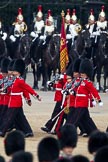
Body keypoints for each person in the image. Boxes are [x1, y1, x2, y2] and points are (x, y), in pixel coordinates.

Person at [0, 59, 41, 137]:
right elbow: (8, 88)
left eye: (14, 71)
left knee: (8, 117)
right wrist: (2, 90)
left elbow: (27, 89)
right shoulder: (13, 80)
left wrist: (35, 96)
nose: (12, 72)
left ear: (18, 72)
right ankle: (27, 131)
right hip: (13, 101)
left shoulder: (20, 81)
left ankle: (2, 131)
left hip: (16, 101)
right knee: (20, 118)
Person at [67, 58, 103, 136]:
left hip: (82, 103)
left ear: (87, 74)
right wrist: (72, 92)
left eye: (83, 73)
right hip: (78, 102)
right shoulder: (81, 82)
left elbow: (93, 92)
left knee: (75, 119)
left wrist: (98, 100)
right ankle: (94, 132)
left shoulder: (88, 83)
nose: (82, 74)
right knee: (86, 120)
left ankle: (70, 133)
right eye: (81, 73)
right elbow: (77, 91)